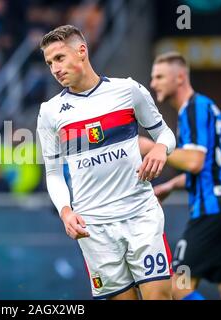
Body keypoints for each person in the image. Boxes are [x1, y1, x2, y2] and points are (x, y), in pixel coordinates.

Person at [36, 25, 176, 300]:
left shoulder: (128, 90)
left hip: (140, 215)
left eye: (60, 58)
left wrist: (161, 148)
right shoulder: (50, 112)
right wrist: (65, 211)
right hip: (94, 227)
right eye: (49, 62)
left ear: (81, 51)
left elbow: (165, 133)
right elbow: (53, 174)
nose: (55, 68)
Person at [143, 51, 221, 300]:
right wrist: (171, 184)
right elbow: (209, 169)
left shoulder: (193, 109)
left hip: (211, 213)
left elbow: (195, 162)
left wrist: (148, 146)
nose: (153, 84)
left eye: (160, 76)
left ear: (180, 77)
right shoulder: (203, 108)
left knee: (178, 286)